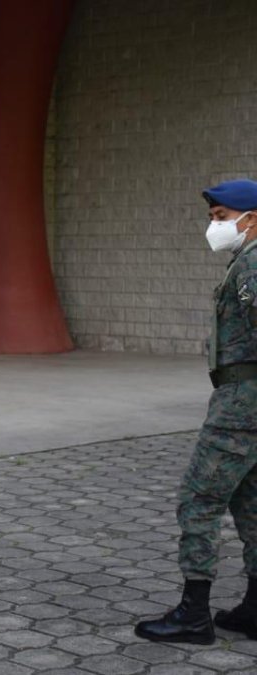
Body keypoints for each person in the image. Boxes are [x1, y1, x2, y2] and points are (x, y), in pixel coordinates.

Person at [136, 179, 257, 645]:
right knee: (251, 502)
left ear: (252, 220)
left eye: (222, 217)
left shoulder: (251, 266)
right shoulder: (244, 261)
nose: (214, 225)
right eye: (212, 218)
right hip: (248, 400)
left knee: (199, 501)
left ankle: (193, 613)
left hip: (241, 404)